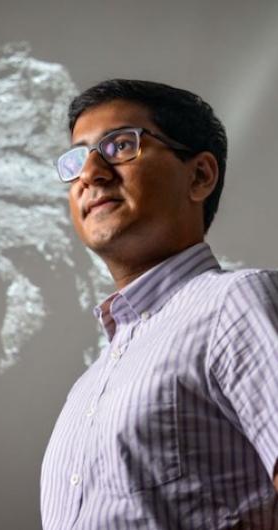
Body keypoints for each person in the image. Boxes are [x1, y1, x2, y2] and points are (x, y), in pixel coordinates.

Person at [40, 79, 278, 529]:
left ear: (200, 176)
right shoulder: (90, 385)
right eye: (77, 159)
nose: (90, 173)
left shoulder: (235, 303)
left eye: (119, 145)